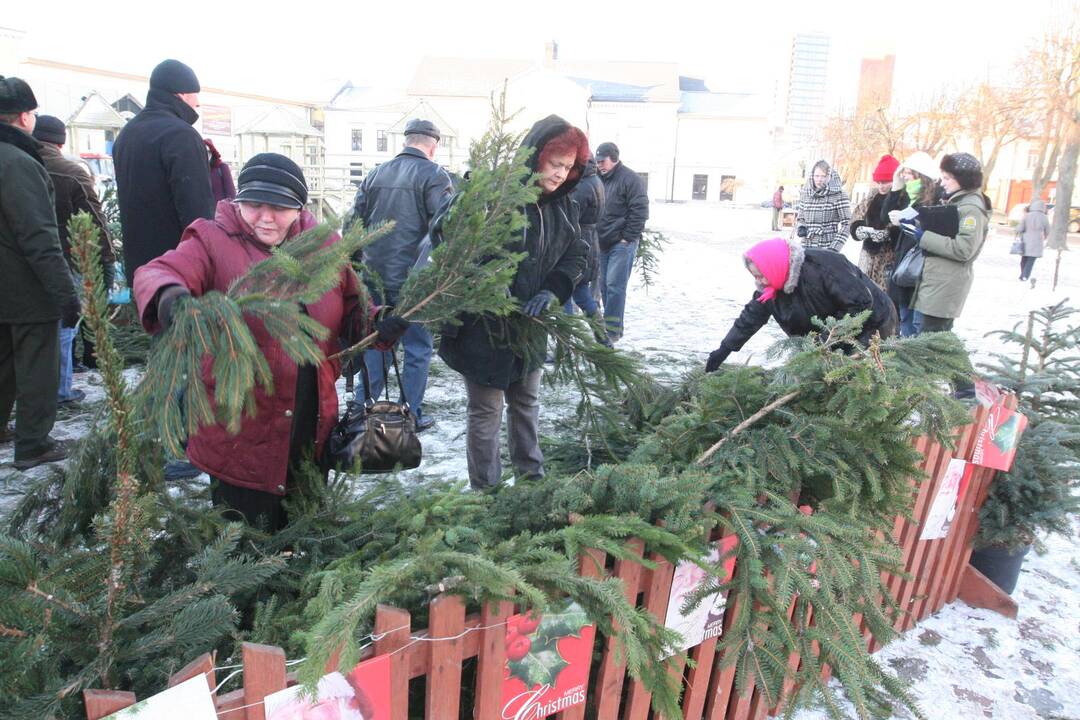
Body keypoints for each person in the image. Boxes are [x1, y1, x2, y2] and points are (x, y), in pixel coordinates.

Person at [133, 154, 409, 529]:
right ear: (237, 201)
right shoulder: (211, 239)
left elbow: (351, 307)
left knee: (303, 530)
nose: (265, 217)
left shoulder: (323, 245)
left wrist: (377, 323)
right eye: (254, 205)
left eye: (279, 207)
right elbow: (159, 272)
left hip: (310, 422)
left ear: (298, 208)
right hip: (242, 426)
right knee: (247, 538)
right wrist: (171, 297)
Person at [438, 115, 589, 490]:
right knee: (486, 410)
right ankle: (486, 491)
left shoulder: (562, 206)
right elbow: (448, 231)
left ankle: (531, 481)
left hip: (531, 326)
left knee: (526, 403)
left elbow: (577, 254)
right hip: (482, 328)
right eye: (555, 164)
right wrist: (488, 280)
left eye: (568, 167)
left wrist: (553, 289)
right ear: (537, 157)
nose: (560, 174)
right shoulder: (497, 193)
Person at [347, 118, 453, 432]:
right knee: (418, 348)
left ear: (406, 140)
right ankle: (412, 415)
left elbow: (355, 224)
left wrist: (356, 268)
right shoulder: (435, 175)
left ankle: (361, 410)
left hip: (373, 276)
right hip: (415, 281)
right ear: (434, 145)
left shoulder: (376, 173)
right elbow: (444, 228)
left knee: (376, 342)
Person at [0, 76, 80, 469]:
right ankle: (33, 444)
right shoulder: (17, 162)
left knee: (3, 364)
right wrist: (65, 293)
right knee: (37, 368)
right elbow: (38, 235)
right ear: (24, 117)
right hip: (26, 287)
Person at [703, 236, 896, 372]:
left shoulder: (823, 266)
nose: (760, 281)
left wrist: (825, 339)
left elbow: (860, 304)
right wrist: (724, 349)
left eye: (761, 275)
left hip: (872, 324)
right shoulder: (770, 289)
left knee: (856, 377)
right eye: (755, 276)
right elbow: (749, 319)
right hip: (825, 338)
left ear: (773, 266)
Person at [32, 114, 115, 402]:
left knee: (32, 328)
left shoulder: (17, 162)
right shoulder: (71, 171)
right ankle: (60, 390)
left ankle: (29, 391)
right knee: (66, 322)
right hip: (67, 259)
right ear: (61, 140)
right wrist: (107, 256)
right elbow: (95, 217)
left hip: (23, 263)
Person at [114, 59, 215, 287]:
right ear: (180, 93)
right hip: (177, 272)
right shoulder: (182, 136)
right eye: (194, 94)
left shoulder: (127, 134)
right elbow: (197, 212)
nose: (197, 103)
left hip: (141, 270)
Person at [908, 153, 990, 336]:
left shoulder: (971, 209)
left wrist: (924, 237)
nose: (942, 183)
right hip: (937, 283)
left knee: (930, 344)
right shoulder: (959, 203)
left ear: (963, 180)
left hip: (944, 287)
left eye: (947, 178)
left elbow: (964, 249)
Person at [881, 151, 941, 336]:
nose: (904, 176)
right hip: (903, 265)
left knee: (914, 323)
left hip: (918, 267)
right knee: (903, 317)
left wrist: (908, 222)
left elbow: (933, 230)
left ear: (920, 175)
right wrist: (896, 188)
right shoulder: (909, 196)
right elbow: (885, 217)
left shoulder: (935, 198)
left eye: (908, 173)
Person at [595, 141, 649, 343]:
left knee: (615, 286)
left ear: (614, 158)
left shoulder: (630, 179)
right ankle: (610, 326)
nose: (599, 164)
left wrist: (628, 237)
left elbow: (640, 210)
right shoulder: (599, 179)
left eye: (603, 161)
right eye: (597, 161)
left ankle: (612, 330)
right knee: (604, 286)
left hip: (622, 243)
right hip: (602, 242)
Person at [563, 156, 607, 337]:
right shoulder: (595, 180)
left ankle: (563, 343)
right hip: (589, 242)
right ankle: (603, 339)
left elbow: (570, 216)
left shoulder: (582, 185)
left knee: (564, 294)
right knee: (582, 294)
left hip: (577, 245)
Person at [849, 154, 900, 291]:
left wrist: (888, 234)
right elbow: (857, 216)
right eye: (879, 182)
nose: (881, 186)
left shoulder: (901, 199)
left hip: (887, 260)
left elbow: (902, 227)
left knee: (883, 299)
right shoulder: (871, 197)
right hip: (867, 256)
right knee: (864, 295)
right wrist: (858, 229)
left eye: (885, 182)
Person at [796, 160, 851, 251]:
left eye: (823, 176)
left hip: (827, 247)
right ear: (812, 176)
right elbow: (801, 218)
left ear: (829, 177)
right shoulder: (805, 193)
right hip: (806, 245)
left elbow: (848, 224)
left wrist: (834, 248)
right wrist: (801, 227)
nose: (819, 179)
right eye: (817, 176)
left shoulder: (839, 194)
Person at [1015, 199, 1049, 287]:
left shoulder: (1027, 216)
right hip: (1037, 242)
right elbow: (1048, 230)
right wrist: (1045, 236)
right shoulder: (1044, 217)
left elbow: (1020, 228)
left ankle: (1023, 275)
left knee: (1023, 260)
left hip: (1026, 241)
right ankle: (1024, 276)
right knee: (1030, 261)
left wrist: (1018, 229)